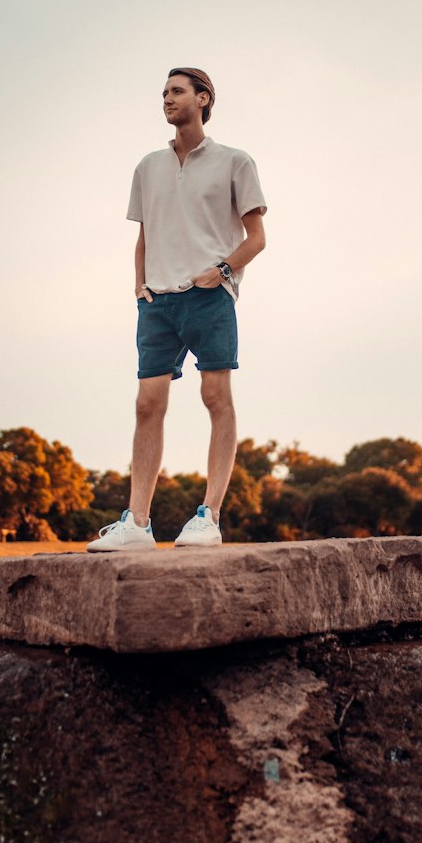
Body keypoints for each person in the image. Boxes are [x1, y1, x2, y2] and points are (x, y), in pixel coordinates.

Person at [88, 66, 267, 551]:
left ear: (203, 98)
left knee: (216, 399)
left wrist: (222, 273)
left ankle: (208, 516)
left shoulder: (235, 161)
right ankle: (138, 524)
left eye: (177, 91)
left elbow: (257, 239)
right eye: (164, 92)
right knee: (148, 405)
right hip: (157, 303)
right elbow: (145, 235)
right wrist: (139, 285)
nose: (166, 99)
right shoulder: (148, 166)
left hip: (210, 295)